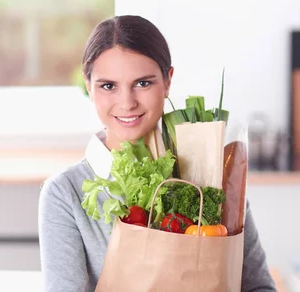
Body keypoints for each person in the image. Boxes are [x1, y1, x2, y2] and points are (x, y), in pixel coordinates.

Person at [38, 15, 276, 291]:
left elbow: (259, 287)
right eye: (108, 86)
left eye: (143, 83)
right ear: (88, 86)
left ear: (168, 81)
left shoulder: (214, 174)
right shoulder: (65, 193)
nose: (126, 103)